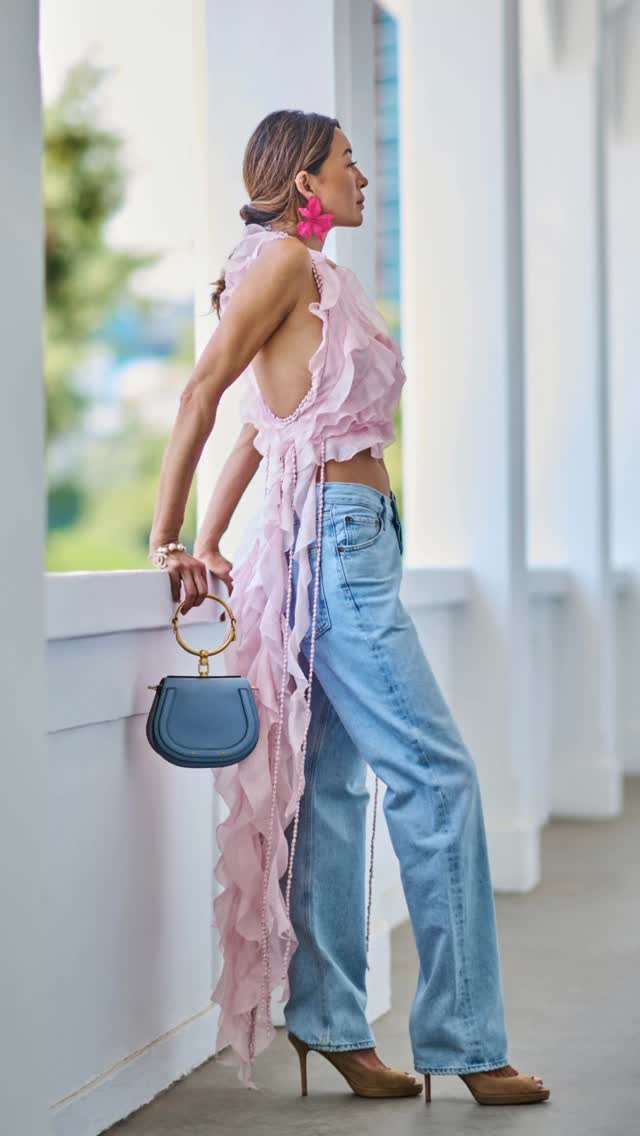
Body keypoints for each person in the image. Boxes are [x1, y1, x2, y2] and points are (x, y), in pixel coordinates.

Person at [148, 109, 549, 1106]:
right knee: (437, 774)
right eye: (349, 163)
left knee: (331, 785)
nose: (365, 176)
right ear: (303, 183)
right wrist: (167, 536)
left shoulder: (306, 271)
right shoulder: (280, 262)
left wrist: (210, 539)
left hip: (338, 537)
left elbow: (260, 429)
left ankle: (327, 1018)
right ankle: (462, 1038)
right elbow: (205, 392)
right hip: (335, 544)